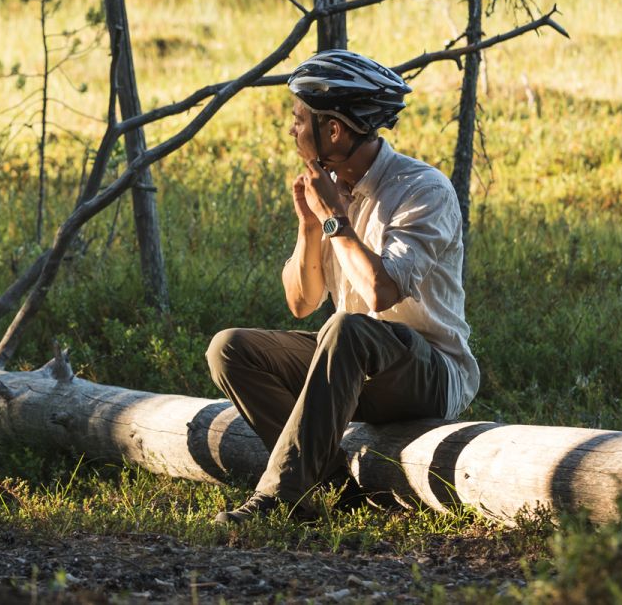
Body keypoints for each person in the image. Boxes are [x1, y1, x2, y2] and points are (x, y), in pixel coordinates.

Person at [205, 49, 480, 523]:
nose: (292, 130)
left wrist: (335, 219)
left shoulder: (422, 189)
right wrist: (310, 226)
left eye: (298, 119)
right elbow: (301, 302)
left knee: (347, 327)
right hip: (350, 364)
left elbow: (380, 294)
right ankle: (336, 489)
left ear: (333, 129)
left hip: (430, 373)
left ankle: (278, 497)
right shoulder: (330, 187)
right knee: (228, 348)